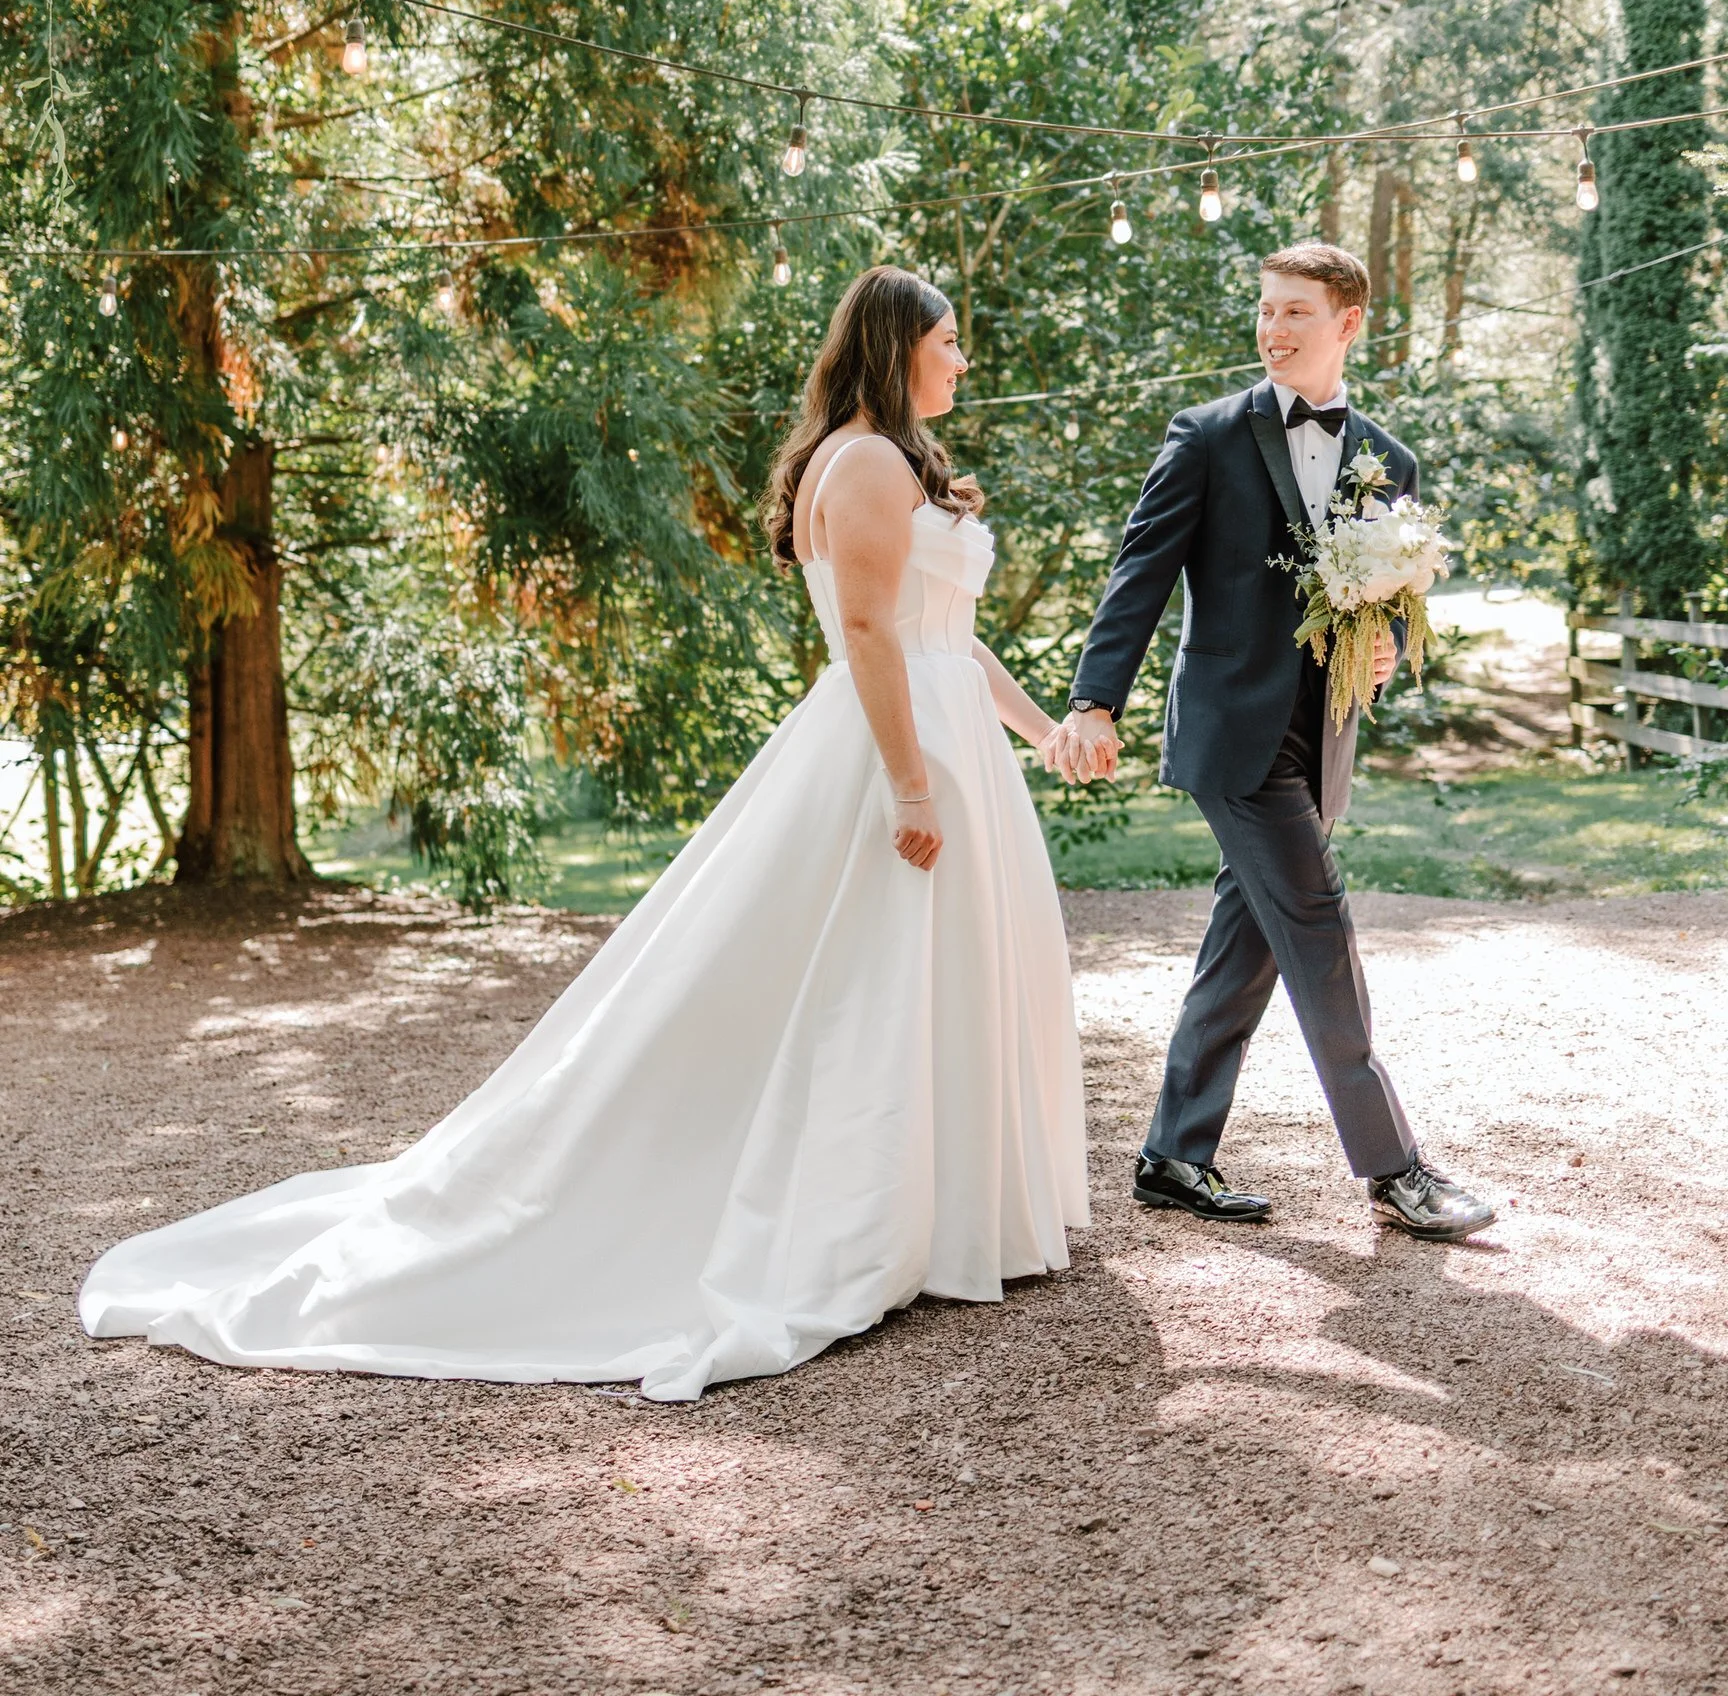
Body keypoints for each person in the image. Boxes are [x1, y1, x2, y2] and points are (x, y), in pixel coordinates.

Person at [79, 267, 1089, 1398]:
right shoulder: (862, 462)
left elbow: (947, 635)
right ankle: (871, 1214)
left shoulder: (892, 463)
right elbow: (866, 630)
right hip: (896, 750)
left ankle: (950, 1208)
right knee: (872, 983)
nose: (962, 361)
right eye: (950, 341)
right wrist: (909, 784)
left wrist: (1042, 731)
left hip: (951, 733)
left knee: (927, 979)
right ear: (901, 346)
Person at [1047, 241, 1494, 1243]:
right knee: (1322, 931)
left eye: (1297, 312)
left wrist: (1378, 651)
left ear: (1348, 323)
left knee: (1241, 951)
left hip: (1318, 737)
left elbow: (1377, 600)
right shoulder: (1206, 437)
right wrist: (1095, 702)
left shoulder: (1389, 457)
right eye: (1266, 310)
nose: (1274, 329)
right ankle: (1395, 1169)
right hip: (1229, 733)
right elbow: (1139, 574)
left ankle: (1173, 1156)